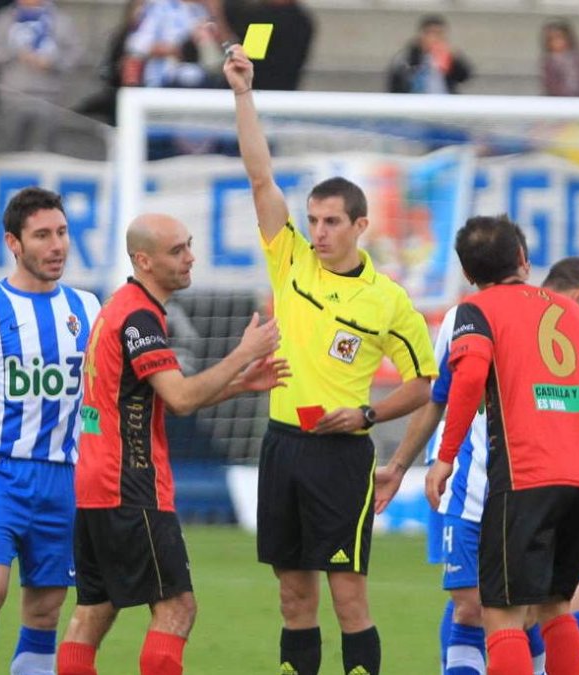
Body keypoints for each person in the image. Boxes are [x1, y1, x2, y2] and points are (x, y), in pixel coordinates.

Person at [225, 47, 438, 675]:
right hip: (282, 444)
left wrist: (367, 413)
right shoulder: (290, 261)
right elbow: (261, 178)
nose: (318, 232)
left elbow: (426, 383)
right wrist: (243, 93)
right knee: (294, 596)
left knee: (349, 597)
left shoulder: (388, 301)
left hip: (342, 457)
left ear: (360, 226)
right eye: (313, 220)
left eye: (330, 222)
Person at [54, 213, 290, 675]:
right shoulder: (139, 316)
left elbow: (158, 399)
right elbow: (180, 399)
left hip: (96, 482)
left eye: (189, 245)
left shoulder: (119, 307)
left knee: (93, 614)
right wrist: (244, 353)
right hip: (130, 483)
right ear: (143, 260)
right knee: (177, 608)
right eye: (177, 250)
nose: (190, 258)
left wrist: (239, 385)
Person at [374, 253, 579, 675]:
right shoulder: (469, 317)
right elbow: (442, 396)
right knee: (474, 603)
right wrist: (408, 464)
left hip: (525, 483)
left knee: (522, 606)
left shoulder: (562, 330)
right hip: (468, 485)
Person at [0, 186, 102, 675]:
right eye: (43, 235)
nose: (58, 246)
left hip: (64, 481)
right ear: (14, 242)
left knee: (45, 611)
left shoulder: (88, 309)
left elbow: (96, 399)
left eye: (63, 233)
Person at [0, 0, 82, 151]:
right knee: (7, 149)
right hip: (11, 95)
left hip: (49, 97)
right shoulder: (4, 18)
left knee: (43, 150)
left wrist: (53, 62)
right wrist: (15, 53)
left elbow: (76, 55)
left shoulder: (61, 20)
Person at [123, 0, 233, 89]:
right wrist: (177, 50)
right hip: (165, 81)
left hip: (203, 83)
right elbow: (135, 45)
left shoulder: (202, 10)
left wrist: (216, 13)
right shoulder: (159, 7)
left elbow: (229, 49)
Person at [227, 0, 316, 91]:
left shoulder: (265, 18)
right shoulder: (302, 20)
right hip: (280, 91)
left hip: (257, 91)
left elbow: (245, 64)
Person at [386, 15, 473, 95]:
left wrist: (455, 58)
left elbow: (464, 76)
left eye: (439, 34)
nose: (435, 38)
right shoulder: (406, 57)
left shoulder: (448, 56)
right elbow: (397, 84)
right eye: (431, 33)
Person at [540, 18, 579, 97]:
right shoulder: (548, 63)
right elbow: (551, 87)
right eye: (551, 39)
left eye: (559, 37)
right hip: (559, 105)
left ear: (568, 38)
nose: (556, 42)